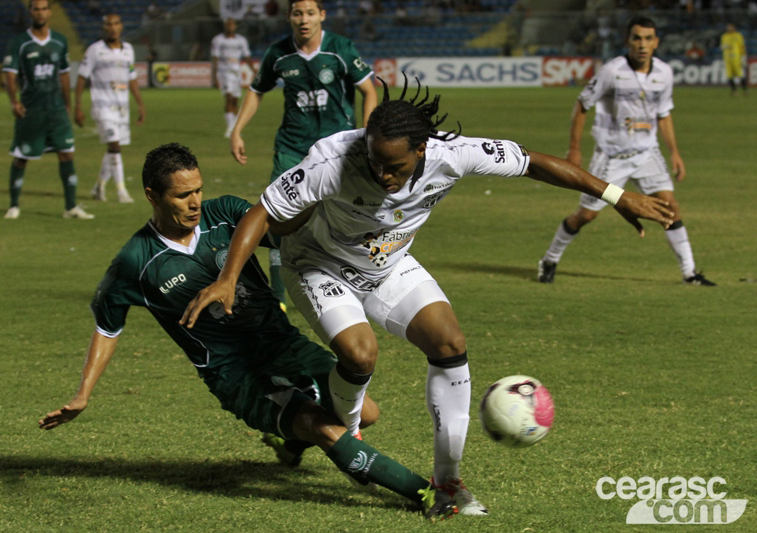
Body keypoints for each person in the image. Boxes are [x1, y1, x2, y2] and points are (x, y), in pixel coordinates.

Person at [180, 77, 675, 515]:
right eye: (374, 162)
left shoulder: (453, 153)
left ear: (421, 150)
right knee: (359, 353)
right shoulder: (333, 159)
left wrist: (616, 196)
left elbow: (532, 163)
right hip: (317, 264)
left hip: (389, 265)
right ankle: (347, 437)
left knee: (449, 343)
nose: (381, 174)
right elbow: (262, 212)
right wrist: (228, 277)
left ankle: (448, 480)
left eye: (393, 166)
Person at [37, 143, 458, 521]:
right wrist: (83, 394)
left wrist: (322, 195)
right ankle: (422, 492)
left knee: (368, 413)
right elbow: (107, 327)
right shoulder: (136, 261)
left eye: (198, 189)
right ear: (152, 195)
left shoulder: (224, 214)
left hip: (283, 343)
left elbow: (283, 230)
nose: (195, 201)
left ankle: (290, 444)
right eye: (182, 195)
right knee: (323, 426)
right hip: (234, 374)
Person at [538, 16, 715, 287]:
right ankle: (549, 260)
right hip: (611, 156)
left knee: (670, 208)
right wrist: (574, 149)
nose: (642, 44)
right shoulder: (612, 71)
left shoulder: (664, 73)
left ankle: (689, 273)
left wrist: (675, 153)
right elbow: (583, 104)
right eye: (637, 38)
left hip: (647, 153)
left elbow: (664, 114)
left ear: (656, 42)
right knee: (586, 215)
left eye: (648, 38)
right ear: (627, 41)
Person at [229, 0, 378, 306]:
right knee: (276, 216)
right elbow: (256, 90)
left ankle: (354, 284)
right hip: (291, 148)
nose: (304, 19)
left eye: (310, 13)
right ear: (289, 17)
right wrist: (237, 130)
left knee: (346, 217)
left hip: (337, 150)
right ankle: (276, 298)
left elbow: (369, 91)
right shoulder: (278, 53)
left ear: (322, 15)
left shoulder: (340, 48)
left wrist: (367, 137)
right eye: (297, 13)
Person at [2, 0, 94, 220]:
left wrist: (68, 104)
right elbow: (9, 74)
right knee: (21, 157)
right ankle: (13, 205)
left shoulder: (60, 41)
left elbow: (64, 74)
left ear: (50, 12)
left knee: (66, 153)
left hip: (56, 110)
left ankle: (70, 207)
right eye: (36, 9)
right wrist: (14, 101)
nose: (40, 13)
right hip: (31, 110)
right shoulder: (20, 43)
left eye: (44, 9)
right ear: (31, 12)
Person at [75, 13, 146, 204]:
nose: (112, 27)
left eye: (116, 24)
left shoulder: (128, 50)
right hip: (102, 107)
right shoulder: (95, 50)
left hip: (122, 109)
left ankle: (99, 187)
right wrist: (78, 107)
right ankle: (121, 191)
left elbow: (132, 78)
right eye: (108, 24)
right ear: (104, 27)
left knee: (113, 149)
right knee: (114, 146)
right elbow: (81, 77)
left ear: (121, 26)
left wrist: (139, 104)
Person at [211, 18, 257, 139]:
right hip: (224, 72)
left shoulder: (241, 40)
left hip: (236, 73)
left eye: (232, 24)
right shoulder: (218, 40)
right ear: (225, 26)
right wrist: (214, 76)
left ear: (235, 26)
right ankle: (230, 129)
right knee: (229, 98)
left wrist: (254, 70)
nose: (230, 27)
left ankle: (234, 129)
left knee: (235, 101)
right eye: (228, 24)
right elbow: (215, 58)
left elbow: (247, 56)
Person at [720, 23, 748, 96]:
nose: (729, 28)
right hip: (727, 59)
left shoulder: (738, 35)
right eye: (728, 27)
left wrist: (743, 57)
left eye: (730, 27)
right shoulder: (724, 36)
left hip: (736, 58)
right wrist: (724, 47)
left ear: (734, 28)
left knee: (740, 74)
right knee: (729, 75)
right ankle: (734, 91)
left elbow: (742, 46)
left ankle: (745, 91)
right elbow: (722, 46)